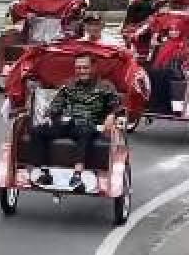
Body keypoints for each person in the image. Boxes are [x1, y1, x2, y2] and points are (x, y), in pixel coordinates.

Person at [29, 54, 121, 192]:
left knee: (85, 131)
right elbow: (57, 103)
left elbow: (116, 106)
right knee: (37, 130)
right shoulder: (68, 84)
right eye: (78, 68)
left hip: (89, 124)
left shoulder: (106, 86)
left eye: (85, 67)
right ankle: (43, 172)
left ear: (94, 67)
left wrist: (112, 115)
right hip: (67, 123)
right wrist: (49, 115)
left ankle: (77, 175)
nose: (81, 71)